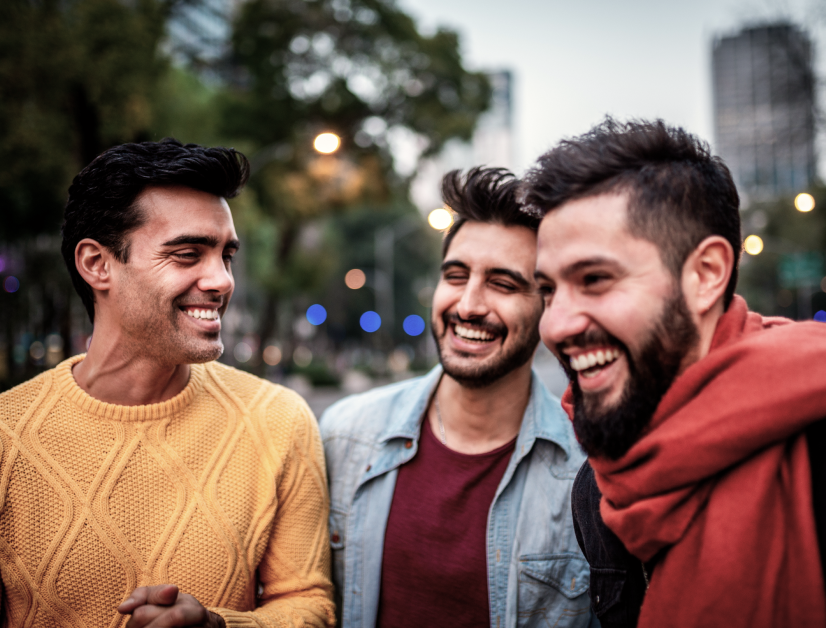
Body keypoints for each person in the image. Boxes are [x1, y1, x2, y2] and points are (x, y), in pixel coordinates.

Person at [0, 139, 334, 628]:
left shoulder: (279, 421)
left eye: (226, 255)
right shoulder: (8, 435)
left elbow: (311, 606)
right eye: (187, 254)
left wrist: (218, 627)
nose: (221, 280)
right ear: (97, 264)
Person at [523, 118, 826, 628]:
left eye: (595, 279)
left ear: (706, 275)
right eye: (548, 290)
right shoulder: (598, 489)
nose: (554, 325)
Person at [320, 167, 596, 628]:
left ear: (548, 306)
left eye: (503, 284)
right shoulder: (343, 437)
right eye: (455, 275)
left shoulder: (588, 475)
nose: (468, 305)